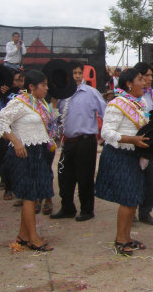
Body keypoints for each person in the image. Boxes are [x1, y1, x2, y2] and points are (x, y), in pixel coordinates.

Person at [0, 70, 58, 251]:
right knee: (29, 196)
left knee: (33, 194)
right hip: (24, 154)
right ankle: (33, 238)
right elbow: (1, 121)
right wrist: (16, 142)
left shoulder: (40, 104)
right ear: (31, 87)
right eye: (43, 85)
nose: (46, 88)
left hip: (37, 152)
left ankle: (23, 235)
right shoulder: (19, 103)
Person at [94, 69, 150, 255]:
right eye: (140, 79)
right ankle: (120, 239)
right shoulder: (117, 104)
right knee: (127, 199)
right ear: (128, 84)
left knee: (133, 198)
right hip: (120, 155)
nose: (144, 83)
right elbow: (106, 133)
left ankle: (127, 237)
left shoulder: (138, 104)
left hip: (133, 155)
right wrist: (131, 140)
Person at [51, 61, 106, 222]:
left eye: (78, 73)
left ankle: (87, 210)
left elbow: (105, 112)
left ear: (82, 74)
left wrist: (107, 134)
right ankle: (67, 208)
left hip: (85, 141)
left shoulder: (91, 93)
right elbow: (57, 116)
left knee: (85, 177)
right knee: (64, 176)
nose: (76, 76)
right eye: (73, 73)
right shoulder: (62, 94)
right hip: (68, 142)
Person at [132, 62, 153, 225]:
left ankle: (145, 211)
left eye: (151, 76)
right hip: (134, 143)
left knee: (151, 181)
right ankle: (131, 211)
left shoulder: (152, 94)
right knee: (135, 179)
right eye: (146, 75)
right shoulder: (131, 96)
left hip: (150, 143)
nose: (150, 79)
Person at [0, 71, 25, 201]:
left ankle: (20, 189)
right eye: (16, 80)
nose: (18, 83)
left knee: (21, 161)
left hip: (22, 133)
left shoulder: (27, 95)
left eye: (21, 80)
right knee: (4, 159)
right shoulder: (5, 95)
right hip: (6, 133)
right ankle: (8, 187)